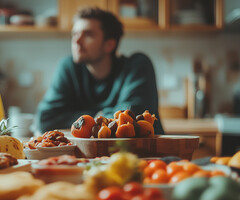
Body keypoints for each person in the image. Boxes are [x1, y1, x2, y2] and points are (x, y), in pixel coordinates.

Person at [36, 7, 164, 135]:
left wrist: (86, 121)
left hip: (143, 153)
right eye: (74, 34)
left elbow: (129, 117)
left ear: (109, 45)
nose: (77, 41)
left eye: (88, 34)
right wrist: (100, 115)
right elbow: (46, 119)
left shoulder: (137, 65)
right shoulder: (68, 67)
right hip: (92, 154)